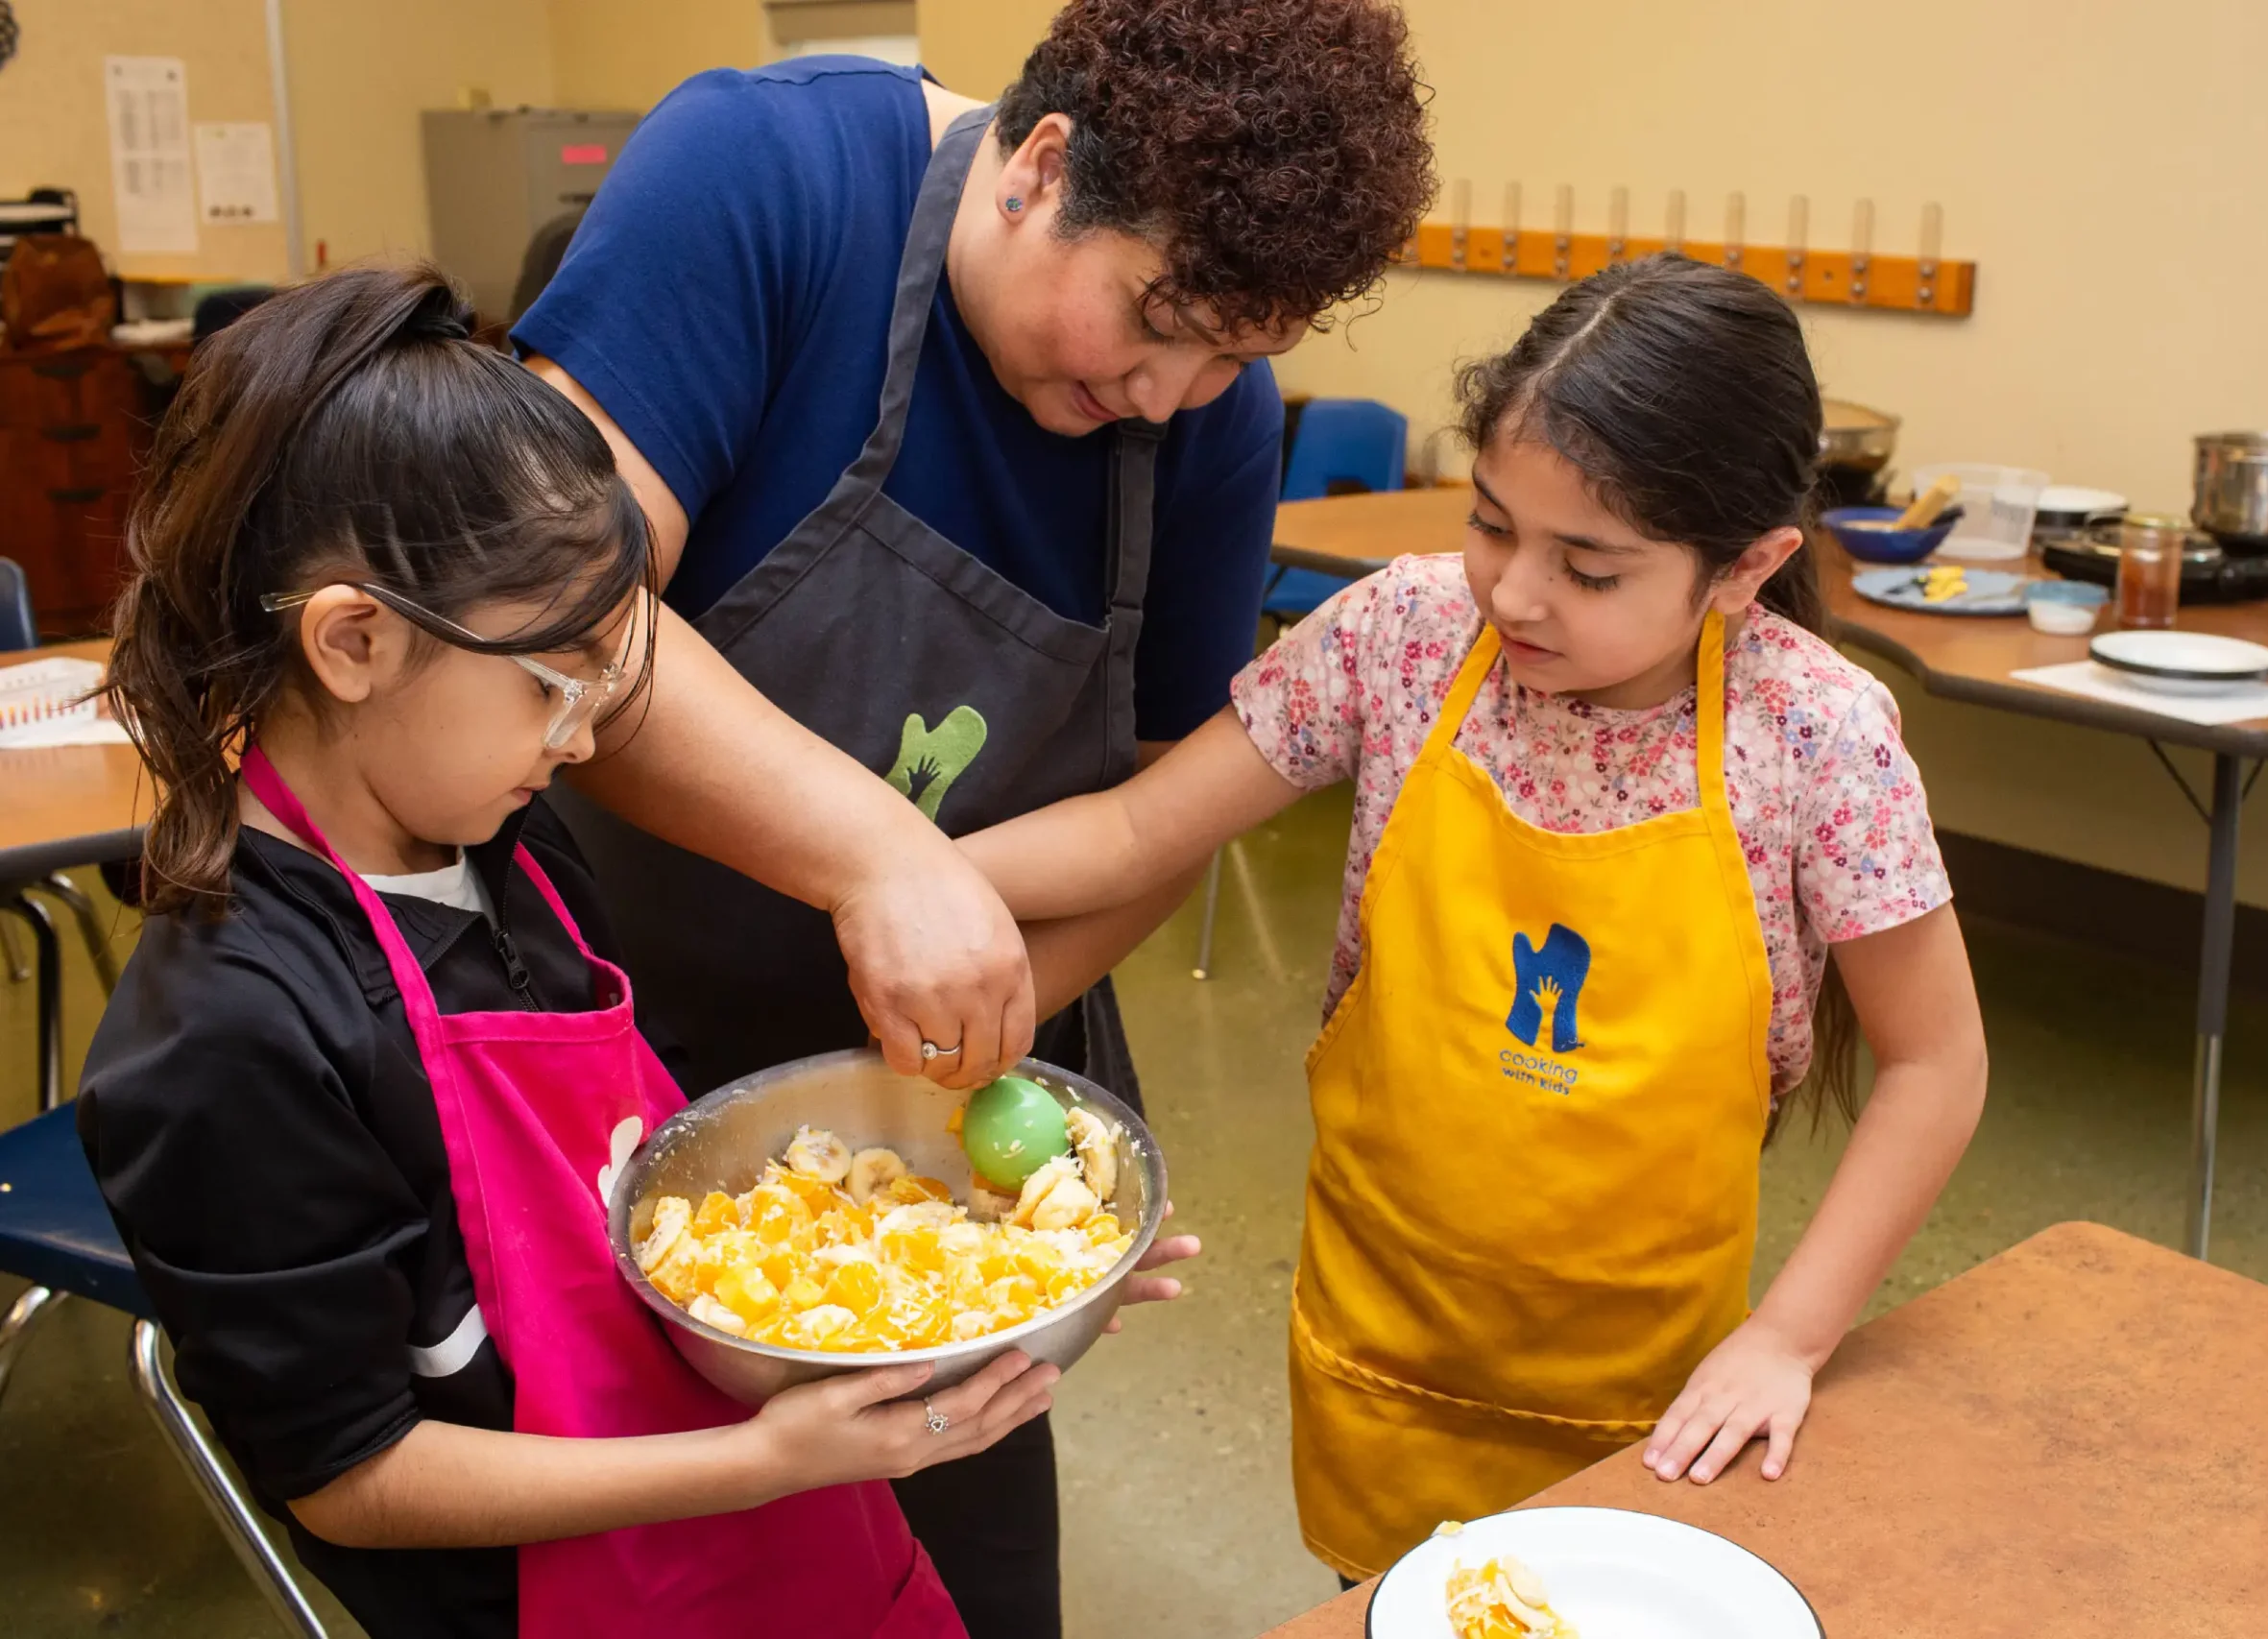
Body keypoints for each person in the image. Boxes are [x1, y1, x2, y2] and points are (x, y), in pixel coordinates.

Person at [510, 2, 1435, 1627]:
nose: (1176, 393)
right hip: (614, 1048)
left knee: (958, 1577)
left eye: (1234, 352)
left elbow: (1161, 807)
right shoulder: (767, 180)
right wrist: (880, 854)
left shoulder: (1202, 414)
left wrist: (971, 1048)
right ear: (1042, 164)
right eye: (1159, 321)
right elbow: (553, 619)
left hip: (939, 1130)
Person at [960, 256, 1992, 1581]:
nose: (1513, 593)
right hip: (1385, 1357)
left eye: (1591, 567)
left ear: (1748, 566)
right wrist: (902, 871)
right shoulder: (1405, 635)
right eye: (1494, 522)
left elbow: (1935, 1062)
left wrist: (1788, 1336)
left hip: (1653, 1401)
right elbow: (1134, 830)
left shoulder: (1816, 734)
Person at [75, 265, 1065, 1639]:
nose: (589, 736)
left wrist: (971, 1263)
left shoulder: (511, 849)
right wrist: (762, 1460)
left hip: (791, 1538)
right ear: (354, 641)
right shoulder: (228, 1038)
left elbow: (665, 1224)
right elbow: (353, 1476)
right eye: (554, 679)